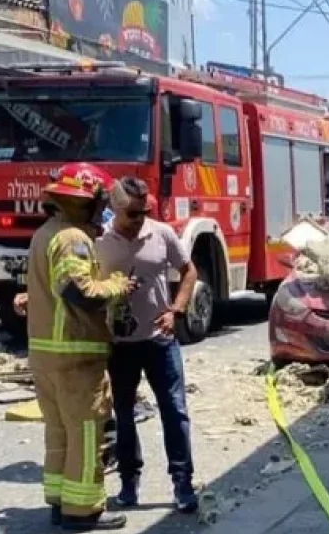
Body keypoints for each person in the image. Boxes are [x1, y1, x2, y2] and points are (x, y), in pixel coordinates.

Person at [25, 163, 133, 531]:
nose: (104, 209)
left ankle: (59, 502)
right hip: (75, 356)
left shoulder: (44, 233)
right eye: (101, 201)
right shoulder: (73, 238)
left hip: (46, 356)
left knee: (59, 433)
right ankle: (83, 511)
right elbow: (78, 291)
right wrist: (117, 286)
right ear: (83, 201)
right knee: (87, 435)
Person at [97, 179, 199, 513]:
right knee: (123, 415)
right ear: (115, 208)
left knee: (175, 410)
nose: (140, 218)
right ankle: (129, 484)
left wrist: (177, 311)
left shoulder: (162, 233)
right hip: (120, 344)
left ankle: (182, 483)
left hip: (160, 341)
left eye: (145, 211)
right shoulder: (98, 241)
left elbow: (188, 271)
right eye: (132, 213)